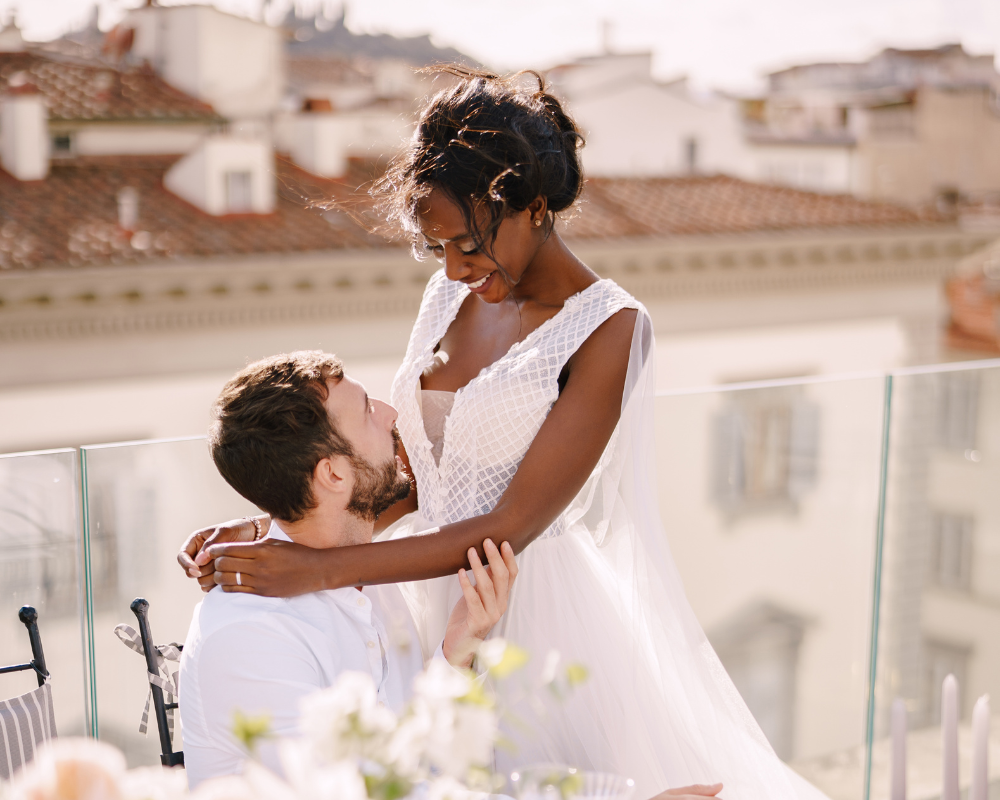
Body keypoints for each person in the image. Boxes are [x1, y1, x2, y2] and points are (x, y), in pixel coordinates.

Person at [178, 69, 827, 799]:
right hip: (418, 597)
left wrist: (320, 570)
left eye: (468, 244)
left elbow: (509, 523)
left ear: (534, 208)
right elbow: (427, 472)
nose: (454, 268)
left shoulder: (609, 329)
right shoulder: (448, 291)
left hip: (530, 603)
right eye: (438, 249)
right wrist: (280, 524)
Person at [179, 351, 518, 789]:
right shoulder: (248, 635)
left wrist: (455, 653)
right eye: (367, 411)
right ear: (334, 475)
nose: (391, 413)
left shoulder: (370, 578)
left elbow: (410, 760)